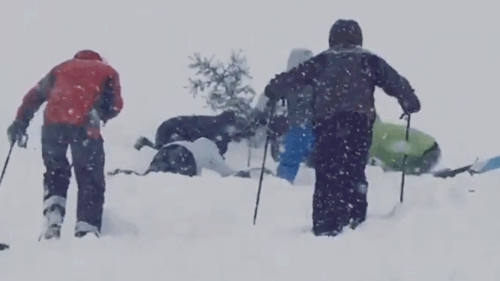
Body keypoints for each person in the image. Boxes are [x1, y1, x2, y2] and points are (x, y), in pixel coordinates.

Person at [264, 19, 421, 237]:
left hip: (328, 123)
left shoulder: (322, 61)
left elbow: (294, 77)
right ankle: (354, 218)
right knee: (354, 169)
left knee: (327, 171)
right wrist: (408, 99)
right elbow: (394, 81)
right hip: (358, 122)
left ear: (332, 38)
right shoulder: (369, 60)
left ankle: (325, 222)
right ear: (358, 38)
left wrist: (274, 89)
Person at [7, 50, 123, 239]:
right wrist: (101, 114)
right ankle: (86, 229)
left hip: (52, 125)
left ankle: (53, 214)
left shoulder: (61, 67)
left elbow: (34, 95)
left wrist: (20, 122)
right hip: (85, 126)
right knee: (89, 176)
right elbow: (116, 105)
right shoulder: (107, 71)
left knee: (56, 170)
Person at [111, 137, 251, 178]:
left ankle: (123, 174)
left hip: (168, 149)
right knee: (174, 184)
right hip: (185, 157)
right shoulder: (212, 149)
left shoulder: (196, 142)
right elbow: (225, 171)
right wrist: (240, 173)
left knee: (149, 176)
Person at [134, 110, 241, 156]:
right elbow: (202, 143)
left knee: (163, 151)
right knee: (163, 153)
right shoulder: (210, 126)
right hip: (169, 129)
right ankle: (143, 144)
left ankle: (144, 144)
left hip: (171, 127)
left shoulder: (214, 125)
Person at [368, 115, 441, 175]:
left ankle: (436, 178)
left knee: (409, 177)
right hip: (430, 148)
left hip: (425, 153)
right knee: (404, 172)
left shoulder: (374, 138)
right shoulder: (379, 128)